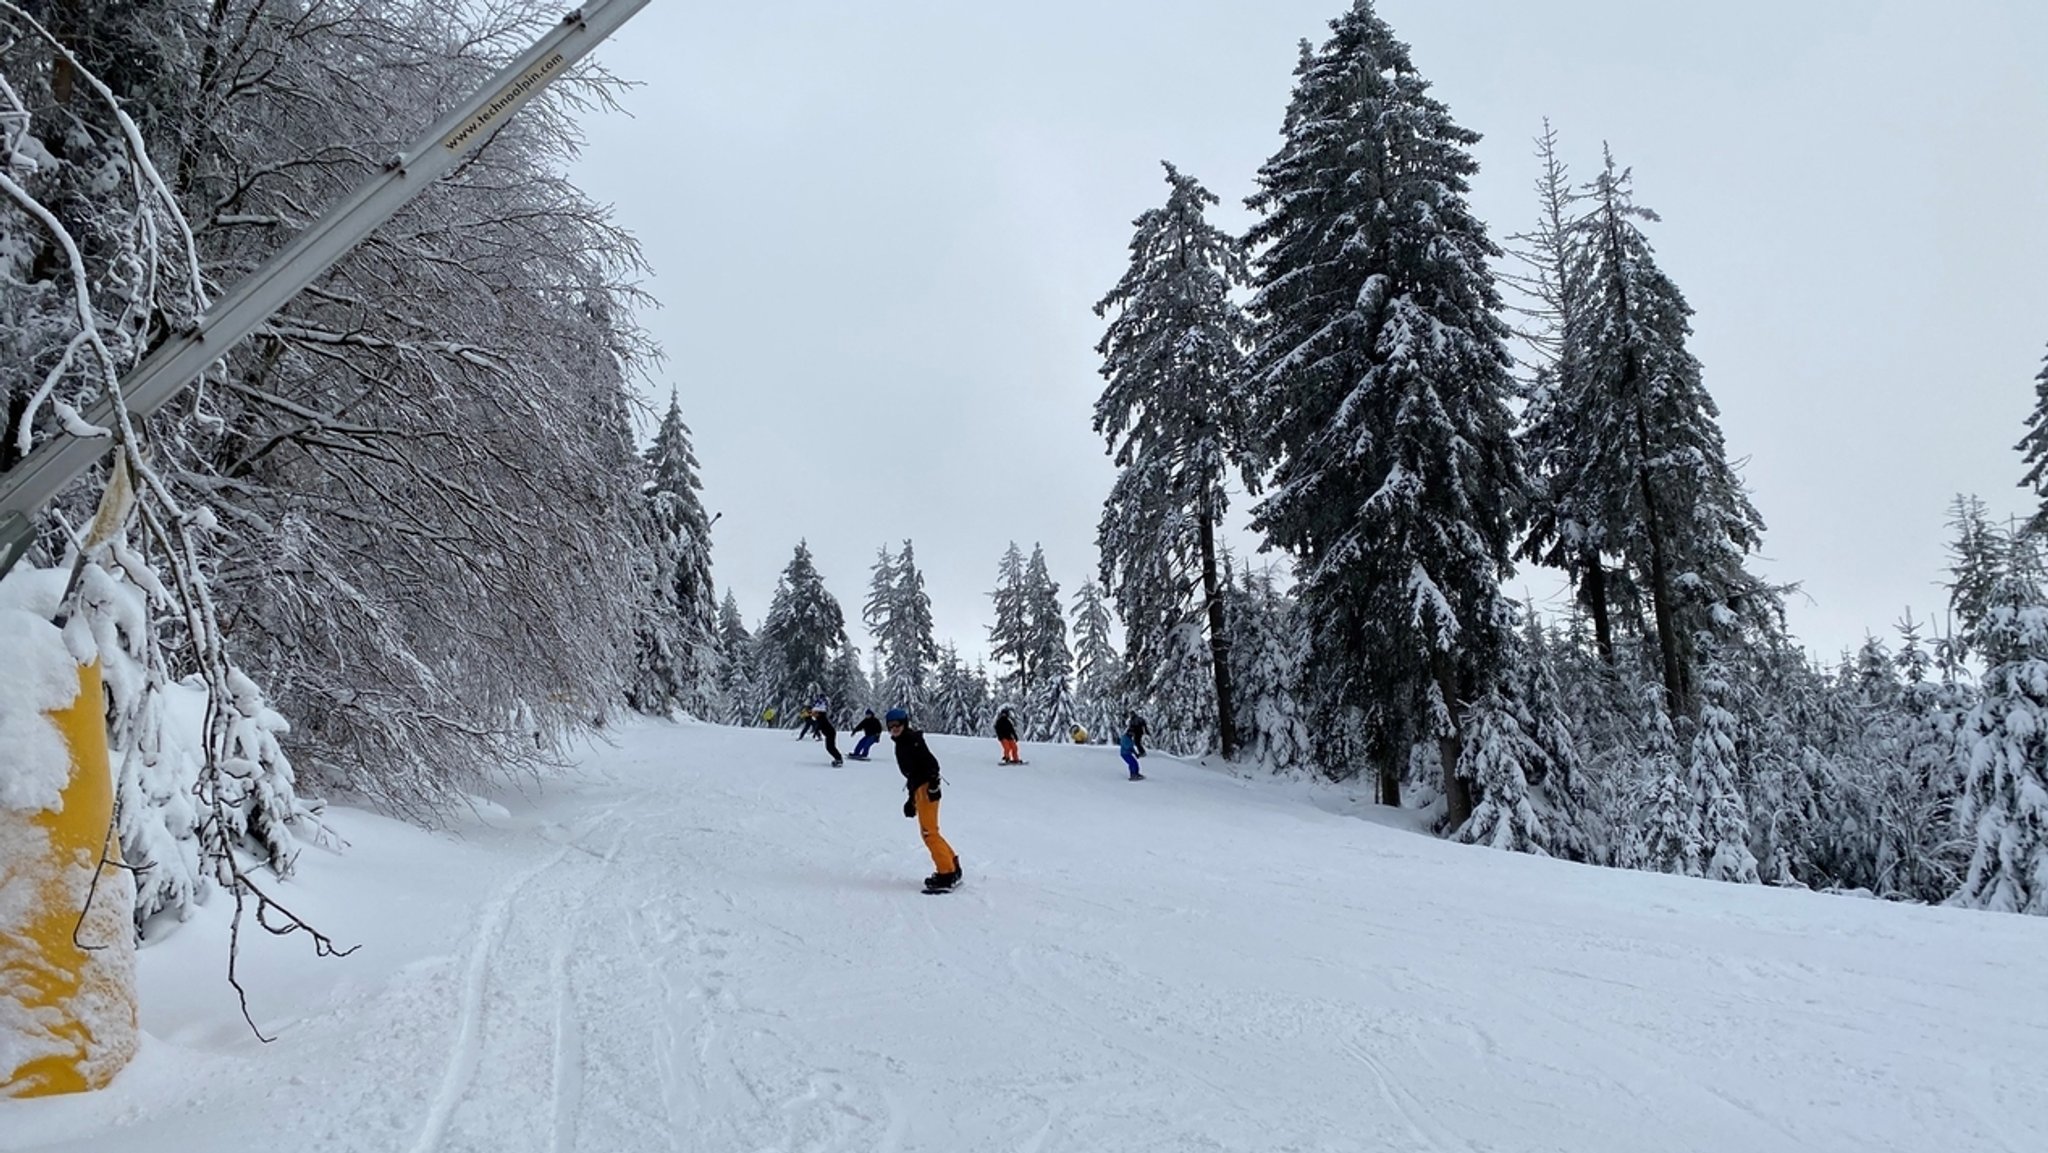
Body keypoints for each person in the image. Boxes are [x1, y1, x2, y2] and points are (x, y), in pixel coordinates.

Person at [887, 707, 961, 891]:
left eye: (897, 724)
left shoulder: (911, 740)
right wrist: (911, 800)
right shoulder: (903, 741)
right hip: (920, 789)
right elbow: (914, 774)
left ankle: (946, 874)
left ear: (905, 723)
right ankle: (952, 866)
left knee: (929, 833)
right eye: (890, 726)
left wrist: (934, 783)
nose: (894, 728)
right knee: (931, 831)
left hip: (927, 788)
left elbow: (930, 764)